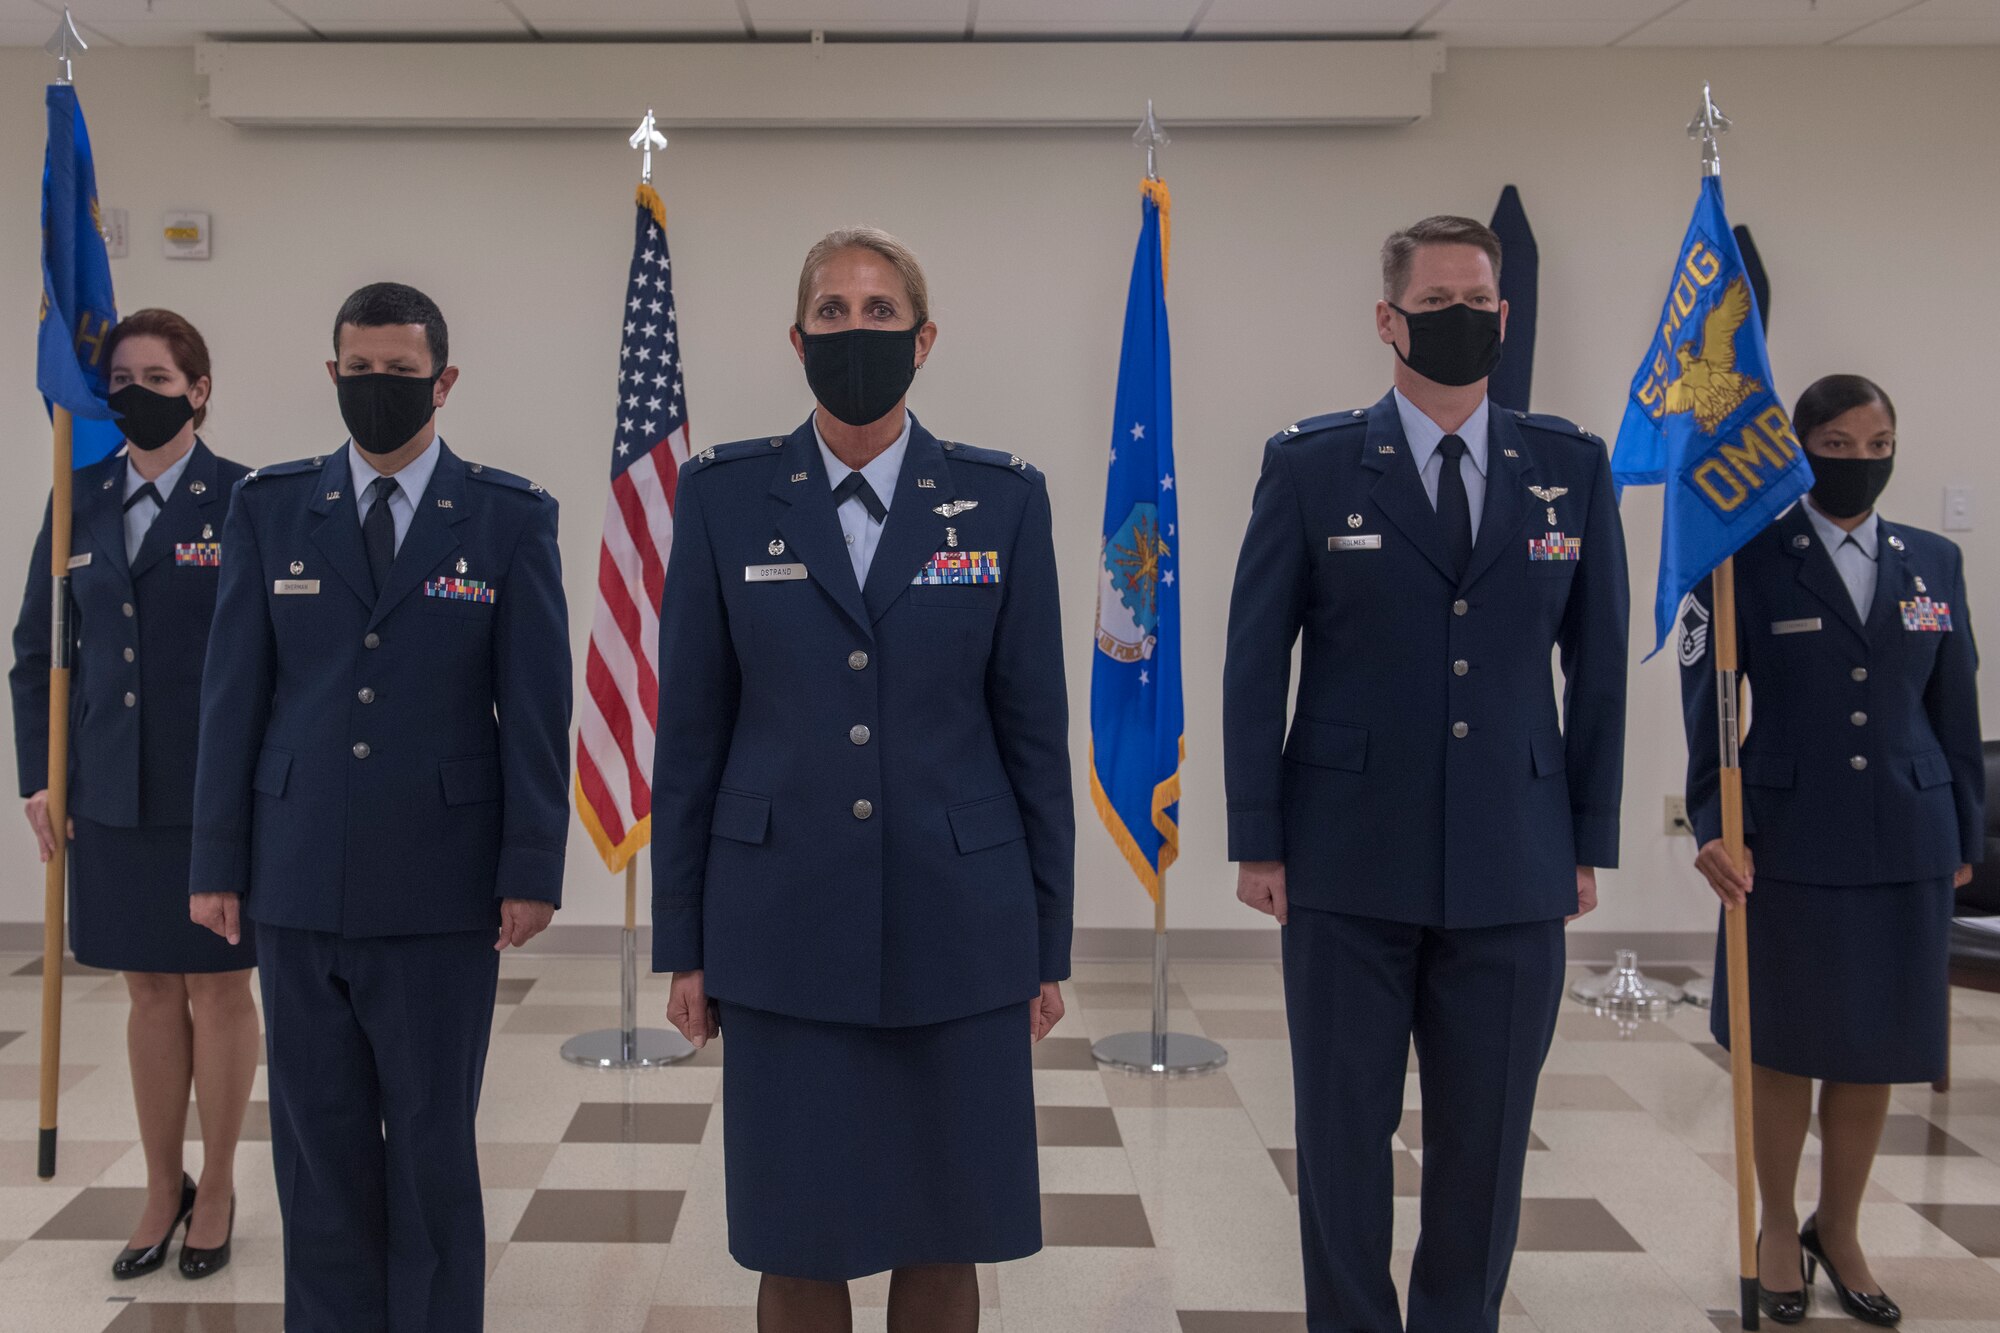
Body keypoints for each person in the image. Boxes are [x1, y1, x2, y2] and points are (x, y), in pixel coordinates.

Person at [653, 227, 1073, 1333]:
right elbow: (689, 733)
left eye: (878, 312)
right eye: (831, 313)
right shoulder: (724, 499)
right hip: (780, 923)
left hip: (961, 926)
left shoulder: (1000, 502)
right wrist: (682, 945)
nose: (855, 331)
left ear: (923, 338)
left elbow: (1032, 734)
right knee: (797, 1235)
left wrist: (1045, 941)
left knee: (945, 1230)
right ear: (795, 339)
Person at [1223, 215, 1629, 1332]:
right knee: (1343, 1139)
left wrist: (1585, 839)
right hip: (1343, 860)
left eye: (1479, 304)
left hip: (1512, 855)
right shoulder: (1309, 465)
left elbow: (1595, 668)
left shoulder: (1566, 467)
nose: (1463, 321)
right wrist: (1256, 834)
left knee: (1485, 1143)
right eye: (1437, 303)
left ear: (1506, 315)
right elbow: (1255, 659)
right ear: (1387, 320)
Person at [189, 282, 572, 1331]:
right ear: (332, 376)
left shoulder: (506, 515)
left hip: (443, 888)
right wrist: (214, 861)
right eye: (359, 373)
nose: (378, 392)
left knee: (432, 1147)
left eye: (400, 376)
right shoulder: (271, 508)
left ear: (442, 382)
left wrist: (531, 865)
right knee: (318, 1149)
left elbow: (536, 706)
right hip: (297, 875)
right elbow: (234, 697)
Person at [1682, 374, 1982, 1327]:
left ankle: (1839, 1227)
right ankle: (1778, 1226)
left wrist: (1965, 833)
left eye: (1878, 443)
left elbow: (1958, 707)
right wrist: (1712, 820)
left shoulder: (1933, 559)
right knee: (1783, 1043)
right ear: (1799, 447)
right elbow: (1712, 711)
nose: (1862, 461)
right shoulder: (1745, 560)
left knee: (1874, 1047)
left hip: (1908, 835)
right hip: (1788, 836)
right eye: (1840, 444)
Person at [9, 309, 258, 1280]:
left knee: (218, 986)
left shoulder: (243, 499)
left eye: (159, 377)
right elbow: (39, 653)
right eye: (122, 378)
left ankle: (223, 1183)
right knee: (149, 990)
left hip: (212, 793)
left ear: (198, 390)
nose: (137, 394)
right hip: (108, 790)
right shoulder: (78, 499)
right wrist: (43, 771)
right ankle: (163, 1185)